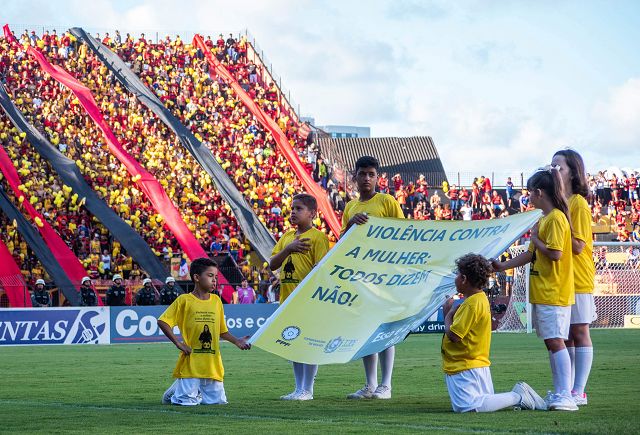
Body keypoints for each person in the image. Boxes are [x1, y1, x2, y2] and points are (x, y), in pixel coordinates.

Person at [492, 167, 578, 411]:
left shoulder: (555, 219)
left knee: (556, 342)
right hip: (544, 291)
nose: (527, 197)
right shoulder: (545, 220)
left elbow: (554, 253)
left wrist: (535, 238)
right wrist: (502, 266)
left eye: (529, 192)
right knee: (551, 343)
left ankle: (566, 395)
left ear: (539, 192)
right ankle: (560, 391)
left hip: (555, 291)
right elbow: (531, 255)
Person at [443, 254, 546, 413]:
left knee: (469, 407)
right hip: (471, 363)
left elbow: (455, 336)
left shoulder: (471, 303)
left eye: (457, 274)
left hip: (465, 364)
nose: (455, 278)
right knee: (475, 404)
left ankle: (517, 396)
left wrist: (448, 314)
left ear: (464, 279)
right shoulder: (478, 298)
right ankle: (517, 396)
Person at [340, 156, 404, 400]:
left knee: (385, 328)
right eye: (362, 174)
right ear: (354, 176)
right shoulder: (350, 207)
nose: (366, 178)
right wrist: (350, 226)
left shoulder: (386, 201)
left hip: (385, 274)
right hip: (361, 275)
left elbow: (404, 234)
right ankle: (370, 385)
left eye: (371, 174)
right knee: (366, 328)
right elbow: (344, 242)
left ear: (377, 178)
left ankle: (386, 386)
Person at [158, 257, 251, 406]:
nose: (214, 280)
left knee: (218, 403)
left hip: (212, 363)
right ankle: (175, 391)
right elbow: (163, 321)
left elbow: (222, 331)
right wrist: (178, 343)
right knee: (185, 403)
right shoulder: (184, 300)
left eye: (216, 277)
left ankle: (190, 389)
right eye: (210, 276)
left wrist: (237, 341)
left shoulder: (216, 301)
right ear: (196, 277)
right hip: (192, 362)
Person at [270, 193, 330, 401]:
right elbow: (272, 264)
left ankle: (307, 389)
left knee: (308, 344)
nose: (293, 212)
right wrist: (288, 249)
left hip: (308, 301)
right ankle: (298, 388)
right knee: (293, 344)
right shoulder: (287, 237)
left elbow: (321, 268)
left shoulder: (318, 237)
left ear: (312, 213)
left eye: (299, 209)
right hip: (287, 301)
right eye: (292, 208)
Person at [551, 149, 596, 406]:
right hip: (563, 278)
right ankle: (566, 389)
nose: (554, 170)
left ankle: (580, 390)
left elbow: (578, 245)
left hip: (578, 276)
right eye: (552, 166)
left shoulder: (577, 202)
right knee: (565, 333)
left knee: (579, 330)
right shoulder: (559, 201)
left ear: (573, 172)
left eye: (560, 167)